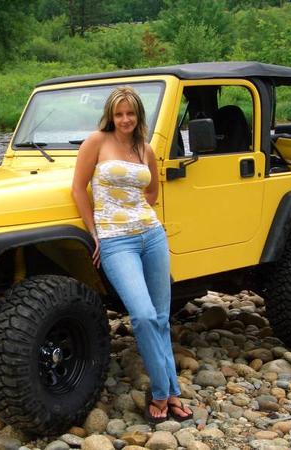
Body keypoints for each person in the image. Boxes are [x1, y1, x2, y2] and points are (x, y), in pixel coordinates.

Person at [71, 86, 193, 423]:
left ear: (138, 116)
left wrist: (134, 207)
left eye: (130, 113)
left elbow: (152, 190)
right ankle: (164, 393)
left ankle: (170, 394)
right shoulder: (96, 142)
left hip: (151, 235)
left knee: (161, 317)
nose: (125, 119)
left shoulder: (145, 147)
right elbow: (78, 188)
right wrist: (94, 231)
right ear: (111, 116)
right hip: (115, 241)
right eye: (119, 113)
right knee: (141, 315)